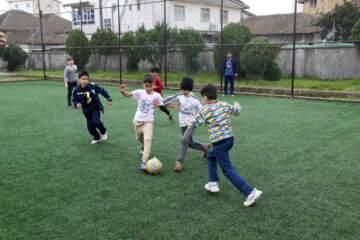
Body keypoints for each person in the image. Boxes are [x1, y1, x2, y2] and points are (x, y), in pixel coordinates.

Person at [186, 84, 262, 207]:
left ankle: (250, 192)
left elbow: (193, 124)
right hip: (230, 139)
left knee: (227, 169)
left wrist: (187, 121)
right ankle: (213, 182)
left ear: (205, 97)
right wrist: (238, 106)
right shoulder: (223, 104)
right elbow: (237, 112)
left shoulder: (204, 110)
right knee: (210, 156)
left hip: (220, 143)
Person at [158, 77, 211, 172]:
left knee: (184, 139)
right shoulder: (179, 95)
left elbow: (204, 110)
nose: (183, 91)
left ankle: (179, 162)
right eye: (181, 89)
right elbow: (168, 100)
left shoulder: (195, 99)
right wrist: (159, 102)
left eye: (185, 89)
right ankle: (205, 147)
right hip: (182, 121)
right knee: (188, 142)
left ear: (190, 89)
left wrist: (208, 120)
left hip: (192, 122)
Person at [120, 75, 163, 170]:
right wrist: (123, 92)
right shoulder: (140, 93)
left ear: (153, 85)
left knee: (148, 139)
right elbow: (127, 94)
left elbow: (163, 103)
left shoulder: (157, 95)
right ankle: (143, 147)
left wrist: (164, 105)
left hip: (149, 121)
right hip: (138, 121)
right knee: (139, 138)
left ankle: (144, 161)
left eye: (150, 86)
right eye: (146, 86)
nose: (148, 88)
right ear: (143, 84)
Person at [73, 71, 112, 144]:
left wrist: (109, 99)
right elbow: (74, 99)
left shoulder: (92, 86)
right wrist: (76, 104)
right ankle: (97, 137)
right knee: (90, 127)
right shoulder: (77, 90)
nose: (85, 81)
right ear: (79, 79)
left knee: (96, 121)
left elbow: (102, 91)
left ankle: (103, 131)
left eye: (86, 79)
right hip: (86, 110)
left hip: (95, 108)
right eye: (83, 79)